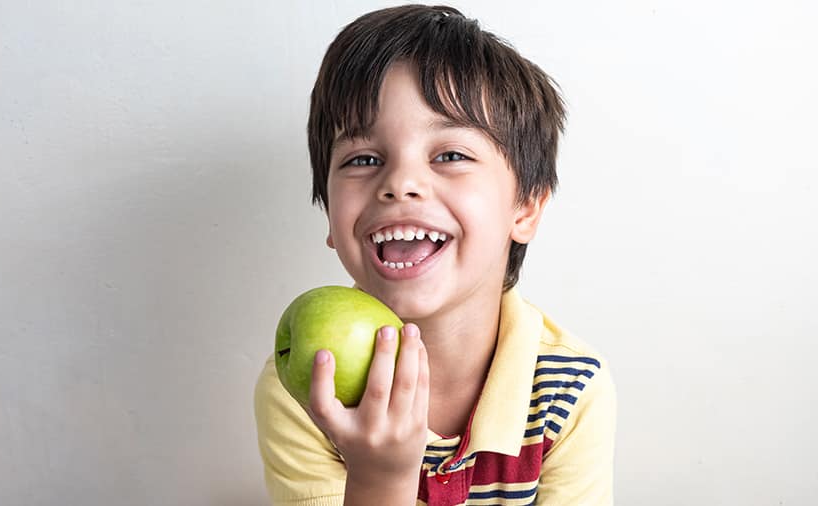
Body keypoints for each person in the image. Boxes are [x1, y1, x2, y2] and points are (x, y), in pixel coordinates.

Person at [254, 5, 616, 505]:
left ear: (526, 207)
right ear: (332, 219)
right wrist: (380, 479)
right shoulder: (308, 385)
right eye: (363, 159)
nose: (399, 183)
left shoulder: (568, 391)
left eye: (450, 155)